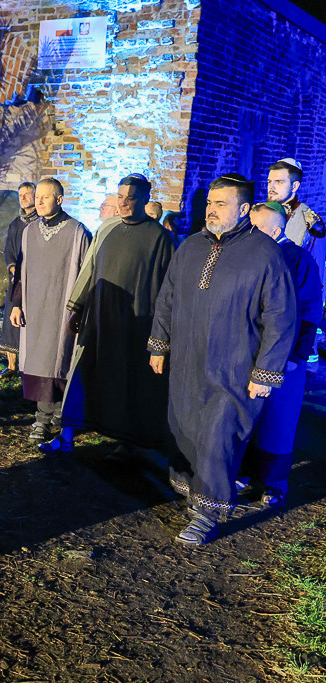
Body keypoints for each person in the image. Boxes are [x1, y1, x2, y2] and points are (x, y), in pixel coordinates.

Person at [149, 174, 296, 545]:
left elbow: (281, 316)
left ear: (244, 209)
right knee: (186, 427)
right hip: (186, 360)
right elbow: (167, 298)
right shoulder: (190, 247)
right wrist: (158, 344)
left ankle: (208, 512)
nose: (211, 211)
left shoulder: (265, 253)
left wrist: (265, 372)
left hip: (234, 367)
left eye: (221, 204)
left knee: (219, 436)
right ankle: (192, 493)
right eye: (210, 203)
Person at [56, 174, 175, 454]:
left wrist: (161, 331)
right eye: (120, 196)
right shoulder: (107, 228)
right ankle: (67, 434)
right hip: (98, 318)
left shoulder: (160, 238)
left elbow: (169, 287)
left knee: (130, 381)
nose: (123, 203)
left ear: (145, 199)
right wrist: (76, 307)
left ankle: (129, 441)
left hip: (136, 323)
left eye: (130, 197)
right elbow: (90, 269)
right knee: (84, 371)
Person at [238, 202, 322, 508]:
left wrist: (297, 353)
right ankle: (244, 471)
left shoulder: (298, 260)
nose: (248, 232)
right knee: (247, 414)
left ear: (275, 230)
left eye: (255, 227)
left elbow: (310, 310)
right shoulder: (250, 254)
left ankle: (273, 482)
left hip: (285, 357)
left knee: (278, 420)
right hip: (249, 352)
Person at [9, 178, 91, 443]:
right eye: (38, 197)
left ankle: (52, 416)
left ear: (59, 199)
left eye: (46, 197)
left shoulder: (77, 231)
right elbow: (20, 271)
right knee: (39, 360)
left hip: (62, 309)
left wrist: (79, 309)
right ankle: (44, 418)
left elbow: (88, 273)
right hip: (35, 308)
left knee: (59, 361)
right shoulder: (29, 231)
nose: (39, 201)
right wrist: (17, 303)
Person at [267, 158, 325, 361]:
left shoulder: (309, 221)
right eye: (269, 181)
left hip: (291, 306)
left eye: (279, 182)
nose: (272, 187)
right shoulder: (261, 213)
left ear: (295, 185)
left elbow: (316, 274)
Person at [0, 182, 36, 377]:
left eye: (28, 193)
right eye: (21, 194)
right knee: (10, 320)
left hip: (36, 279)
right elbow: (9, 251)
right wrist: (13, 269)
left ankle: (29, 364)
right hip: (17, 279)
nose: (23, 197)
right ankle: (11, 365)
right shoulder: (15, 224)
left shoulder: (40, 223)